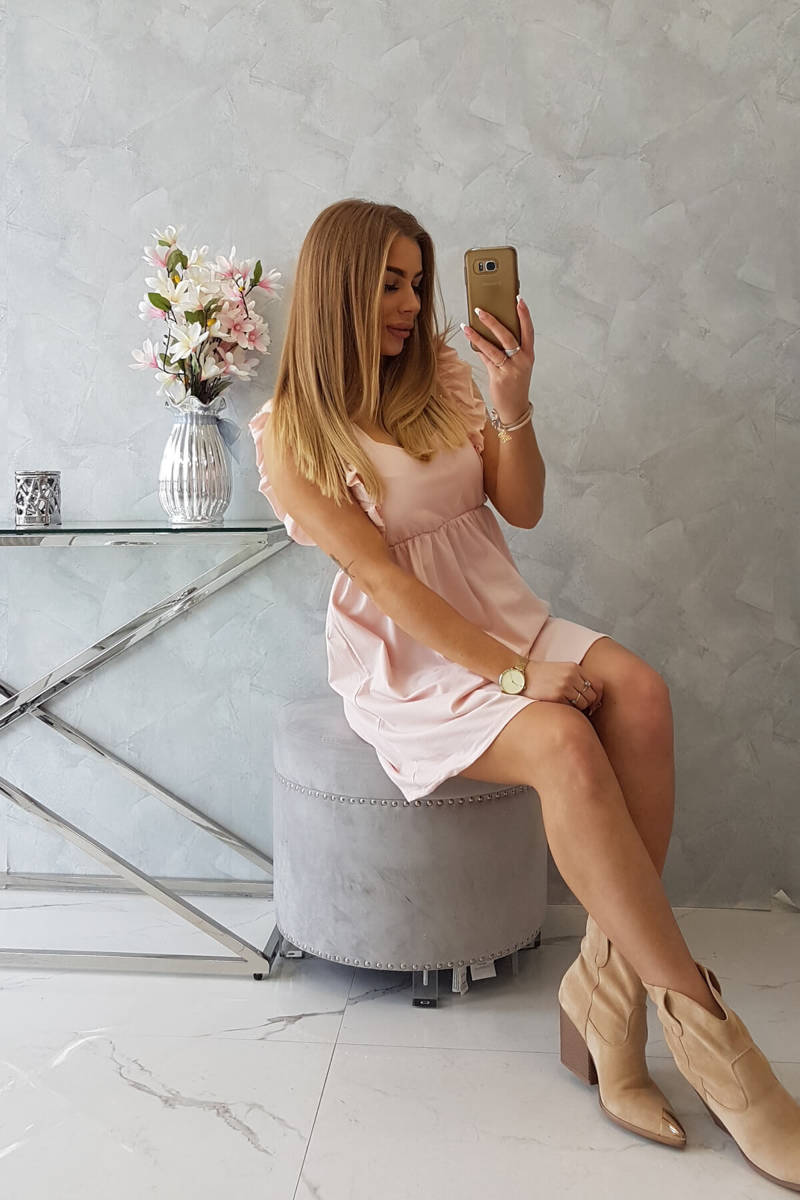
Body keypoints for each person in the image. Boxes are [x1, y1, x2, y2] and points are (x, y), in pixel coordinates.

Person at [248, 198, 800, 1189]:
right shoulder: (290, 434)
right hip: (411, 657)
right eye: (389, 283)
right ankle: (715, 1042)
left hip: (502, 610)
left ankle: (603, 996)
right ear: (338, 286)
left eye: (418, 281)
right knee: (561, 741)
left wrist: (513, 398)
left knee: (641, 694)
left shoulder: (442, 374)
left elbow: (522, 506)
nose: (412, 303)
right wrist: (511, 677)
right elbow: (384, 582)